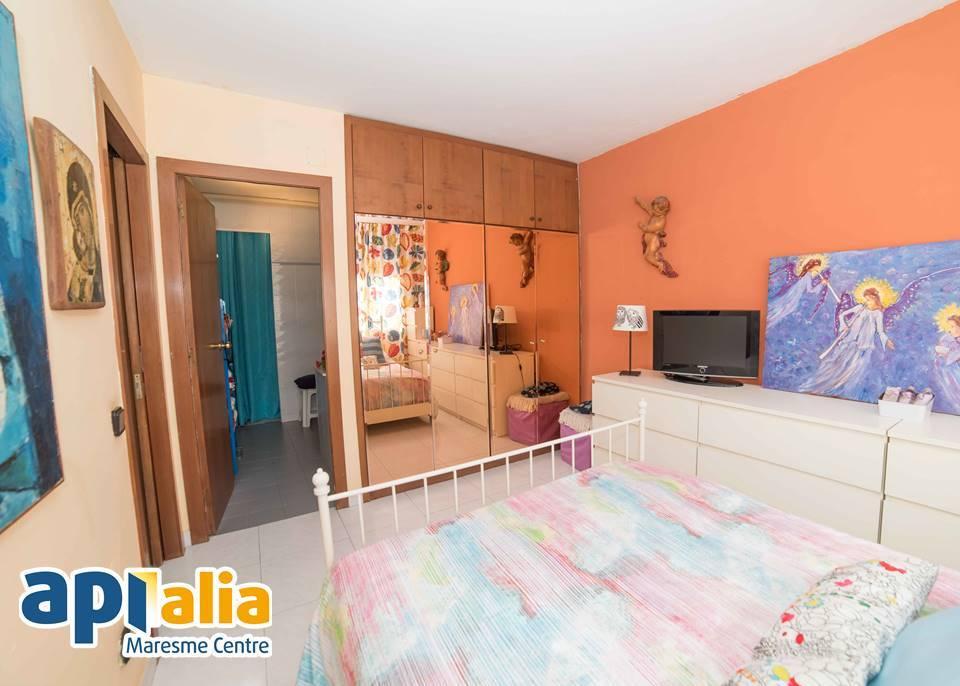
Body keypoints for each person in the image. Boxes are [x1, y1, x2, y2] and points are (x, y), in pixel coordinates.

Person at [802, 287, 894, 398]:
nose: (867, 301)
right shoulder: (860, 307)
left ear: (875, 299)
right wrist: (844, 325)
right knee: (837, 362)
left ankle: (838, 389)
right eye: (866, 299)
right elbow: (842, 315)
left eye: (869, 299)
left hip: (863, 345)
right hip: (850, 340)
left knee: (852, 368)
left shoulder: (878, 314)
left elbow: (880, 331)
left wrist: (886, 340)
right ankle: (820, 385)